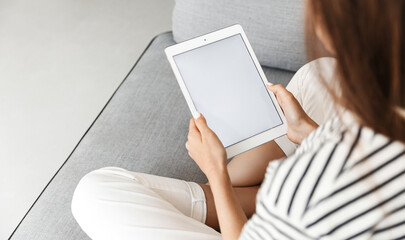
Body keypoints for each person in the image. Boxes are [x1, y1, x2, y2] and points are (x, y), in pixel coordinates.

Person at [71, 0, 405, 239]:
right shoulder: (379, 129)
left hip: (284, 218)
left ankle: (244, 197)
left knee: (94, 193)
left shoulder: (316, 186)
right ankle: (256, 197)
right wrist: (307, 132)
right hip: (322, 202)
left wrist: (215, 172)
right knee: (322, 75)